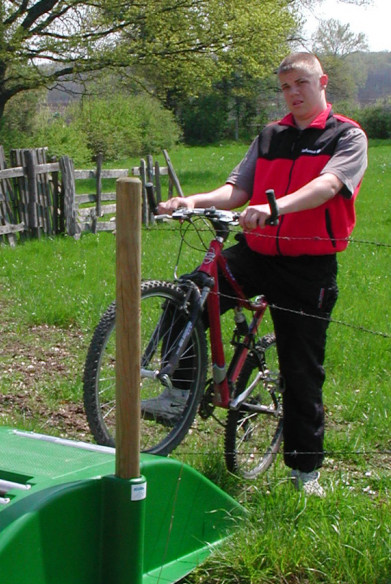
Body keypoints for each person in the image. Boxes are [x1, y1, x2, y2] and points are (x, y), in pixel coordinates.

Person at [156, 51, 368, 497]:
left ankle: (304, 472)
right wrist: (191, 201)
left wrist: (275, 208)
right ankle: (177, 395)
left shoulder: (347, 136)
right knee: (190, 293)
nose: (292, 94)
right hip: (256, 253)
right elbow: (237, 190)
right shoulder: (270, 135)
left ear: (322, 82)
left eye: (301, 84)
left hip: (307, 266)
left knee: (301, 368)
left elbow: (329, 186)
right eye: (285, 87)